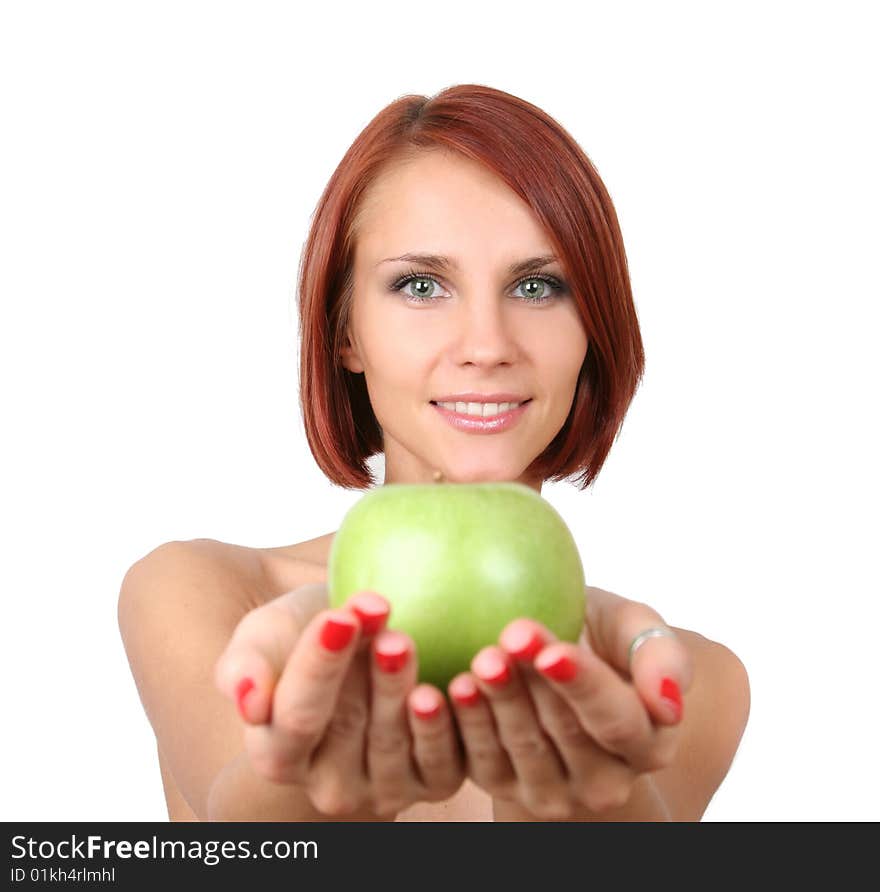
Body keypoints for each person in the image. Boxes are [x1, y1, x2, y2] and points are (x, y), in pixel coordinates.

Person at [118, 84, 750, 822]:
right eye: (421, 285)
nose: (486, 346)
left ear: (593, 331)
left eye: (538, 286)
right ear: (345, 331)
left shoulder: (685, 681)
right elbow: (246, 827)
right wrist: (306, 782)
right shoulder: (209, 595)